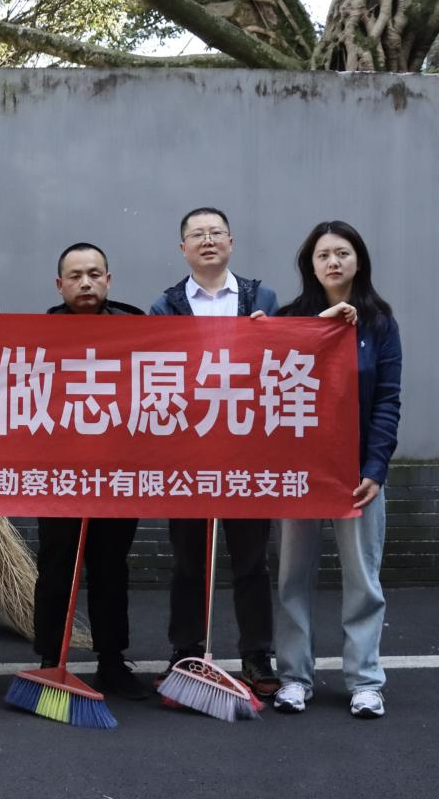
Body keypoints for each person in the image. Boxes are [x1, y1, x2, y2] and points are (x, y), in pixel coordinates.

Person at [270, 221, 401, 719]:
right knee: (292, 578)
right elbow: (263, 372)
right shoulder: (291, 319)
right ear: (310, 264)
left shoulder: (380, 323)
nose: (333, 262)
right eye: (323, 254)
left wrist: (376, 467)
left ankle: (365, 681)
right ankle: (294, 677)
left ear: (358, 261)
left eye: (342, 253)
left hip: (356, 472)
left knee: (363, 579)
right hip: (299, 471)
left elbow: (387, 399)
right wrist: (312, 324)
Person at [149, 207, 281, 698]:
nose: (207, 240)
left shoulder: (261, 298)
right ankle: (185, 651)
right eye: (197, 235)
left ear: (231, 241)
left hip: (247, 451)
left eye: (216, 232)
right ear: (182, 248)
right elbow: (157, 370)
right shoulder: (164, 306)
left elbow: (282, 363)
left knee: (252, 560)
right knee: (188, 561)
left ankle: (257, 655)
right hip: (189, 454)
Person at [34, 243, 150, 700]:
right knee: (57, 567)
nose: (86, 283)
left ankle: (111, 660)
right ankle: (50, 659)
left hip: (118, 472)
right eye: (75, 276)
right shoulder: (39, 336)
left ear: (108, 280)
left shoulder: (137, 329)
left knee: (110, 568)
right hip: (59, 474)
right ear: (59, 285)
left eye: (94, 274)